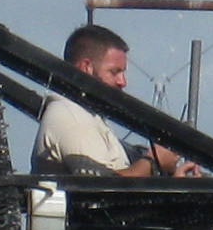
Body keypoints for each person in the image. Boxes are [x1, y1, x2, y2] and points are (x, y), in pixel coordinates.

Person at [35, 24, 196, 178]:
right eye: (114, 72)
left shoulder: (90, 117)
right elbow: (101, 189)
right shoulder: (70, 115)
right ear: (86, 68)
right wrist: (154, 162)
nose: (123, 82)